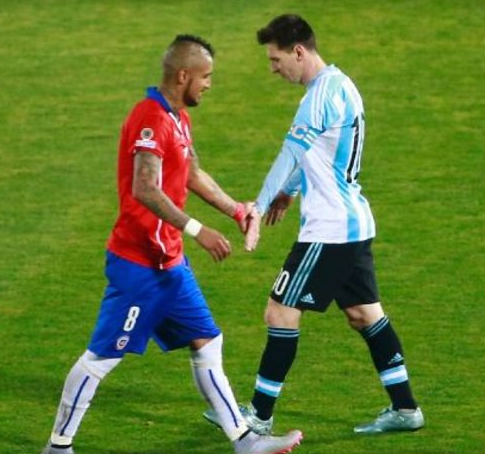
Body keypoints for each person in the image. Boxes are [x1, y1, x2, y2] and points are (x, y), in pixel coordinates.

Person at [40, 35, 302, 454]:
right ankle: (58, 446)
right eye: (206, 76)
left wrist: (235, 210)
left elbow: (192, 173)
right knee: (103, 357)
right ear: (183, 76)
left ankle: (245, 440)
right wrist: (199, 230)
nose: (209, 84)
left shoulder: (177, 117)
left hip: (170, 264)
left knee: (207, 341)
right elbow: (145, 187)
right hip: (139, 265)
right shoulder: (150, 119)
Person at [204, 14, 425, 435]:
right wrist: (290, 190)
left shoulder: (318, 96)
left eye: (276, 60)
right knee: (363, 314)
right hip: (353, 223)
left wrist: (259, 206)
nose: (273, 69)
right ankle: (406, 408)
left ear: (299, 52)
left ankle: (259, 416)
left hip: (329, 231)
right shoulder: (342, 85)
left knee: (280, 312)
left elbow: (291, 152)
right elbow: (323, 153)